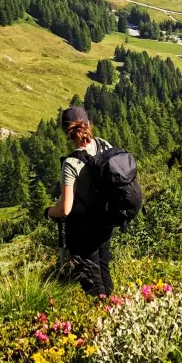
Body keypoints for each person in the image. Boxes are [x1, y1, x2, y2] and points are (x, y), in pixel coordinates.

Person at [46, 105, 116, 298]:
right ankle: (112, 310)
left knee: (91, 280)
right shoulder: (104, 145)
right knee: (103, 268)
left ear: (67, 133)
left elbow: (65, 209)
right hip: (106, 221)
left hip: (84, 229)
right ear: (89, 124)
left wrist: (49, 212)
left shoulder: (71, 163)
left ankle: (101, 315)